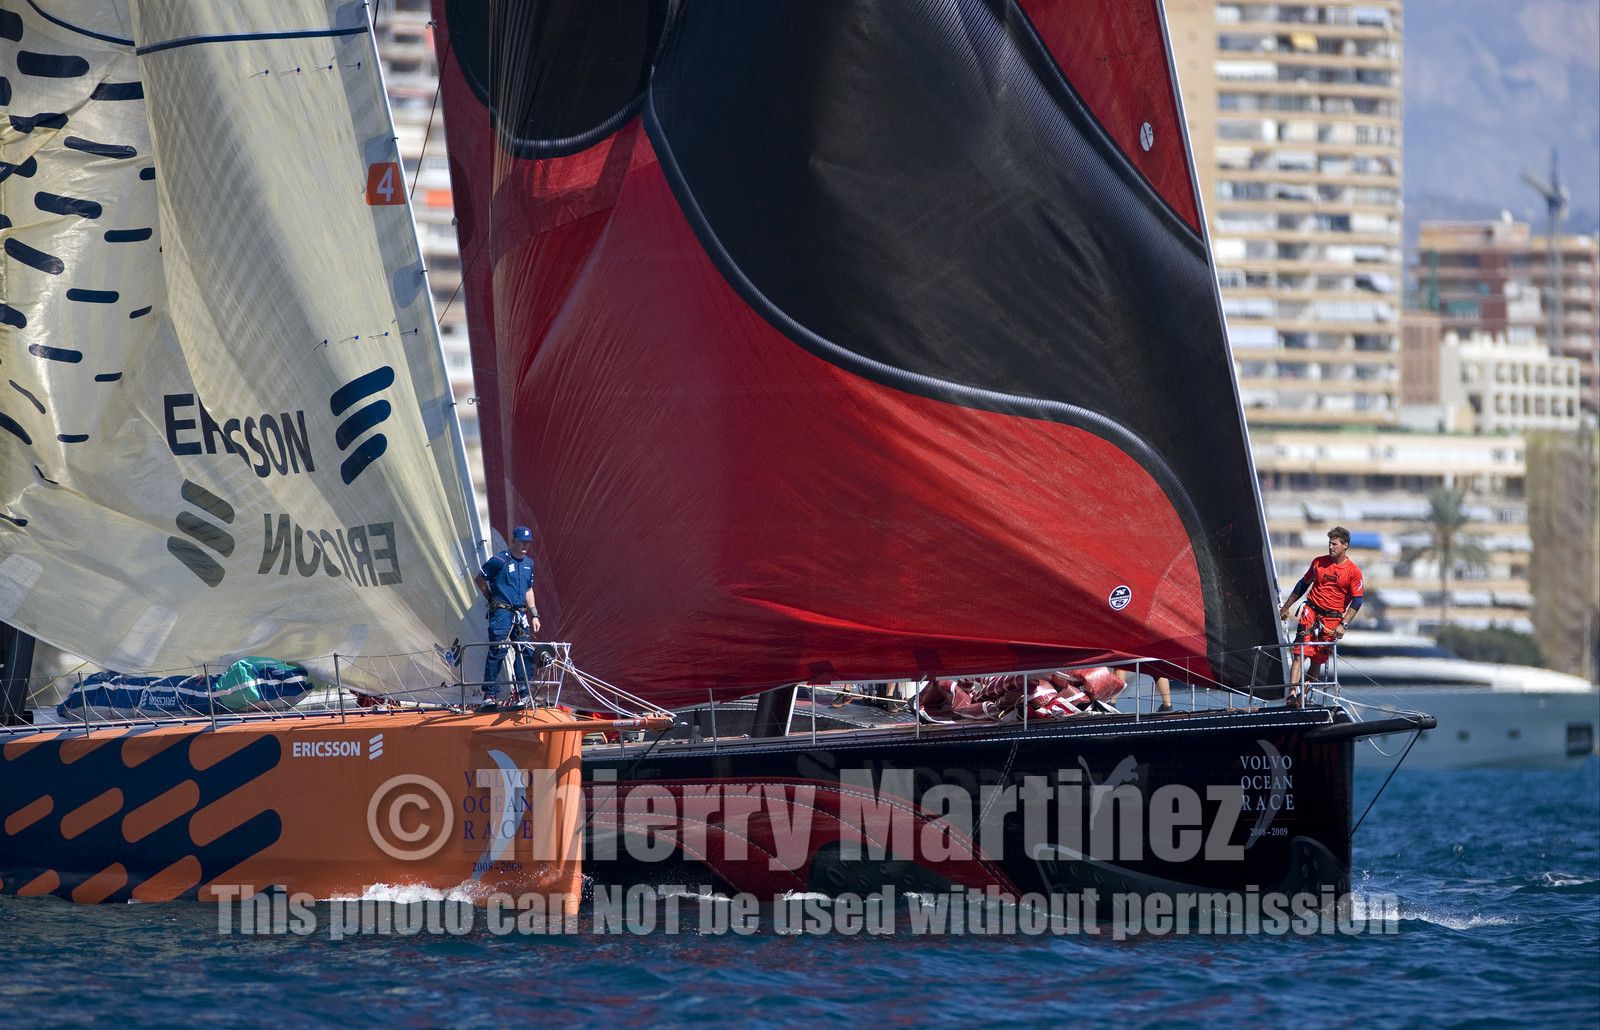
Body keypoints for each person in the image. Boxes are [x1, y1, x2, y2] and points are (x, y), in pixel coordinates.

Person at [1277, 525, 1364, 705]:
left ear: (1345, 545)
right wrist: (1286, 606)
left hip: (1332, 619)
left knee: (1317, 661)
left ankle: (1302, 697)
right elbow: (1303, 584)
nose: (1330, 547)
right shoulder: (1318, 562)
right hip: (1311, 612)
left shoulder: (1353, 571)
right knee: (1300, 653)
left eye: (1334, 544)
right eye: (1329, 543)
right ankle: (1291, 694)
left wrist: (1344, 625)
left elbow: (1357, 601)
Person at [474, 526, 541, 706]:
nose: (525, 546)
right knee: (498, 650)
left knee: (524, 650)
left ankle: (524, 693)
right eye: (522, 542)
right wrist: (490, 597)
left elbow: (528, 590)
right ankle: (489, 695)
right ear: (513, 541)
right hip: (502, 613)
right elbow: (480, 578)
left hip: (520, 613)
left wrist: (534, 614)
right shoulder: (499, 560)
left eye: (528, 542)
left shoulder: (529, 563)